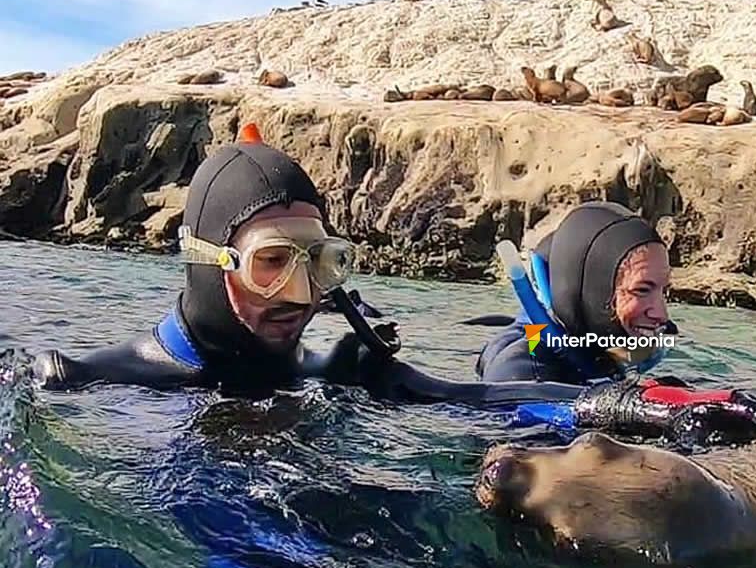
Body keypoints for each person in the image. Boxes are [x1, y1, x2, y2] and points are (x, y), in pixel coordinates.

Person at [31, 125, 581, 408]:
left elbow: (477, 403)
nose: (300, 295)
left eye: (321, 263)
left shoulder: (338, 372)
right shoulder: (89, 384)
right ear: (207, 262)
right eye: (270, 262)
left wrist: (630, 405)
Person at [475, 201, 675, 384]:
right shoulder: (522, 369)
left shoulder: (603, 345)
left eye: (663, 291)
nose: (662, 315)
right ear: (593, 294)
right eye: (641, 290)